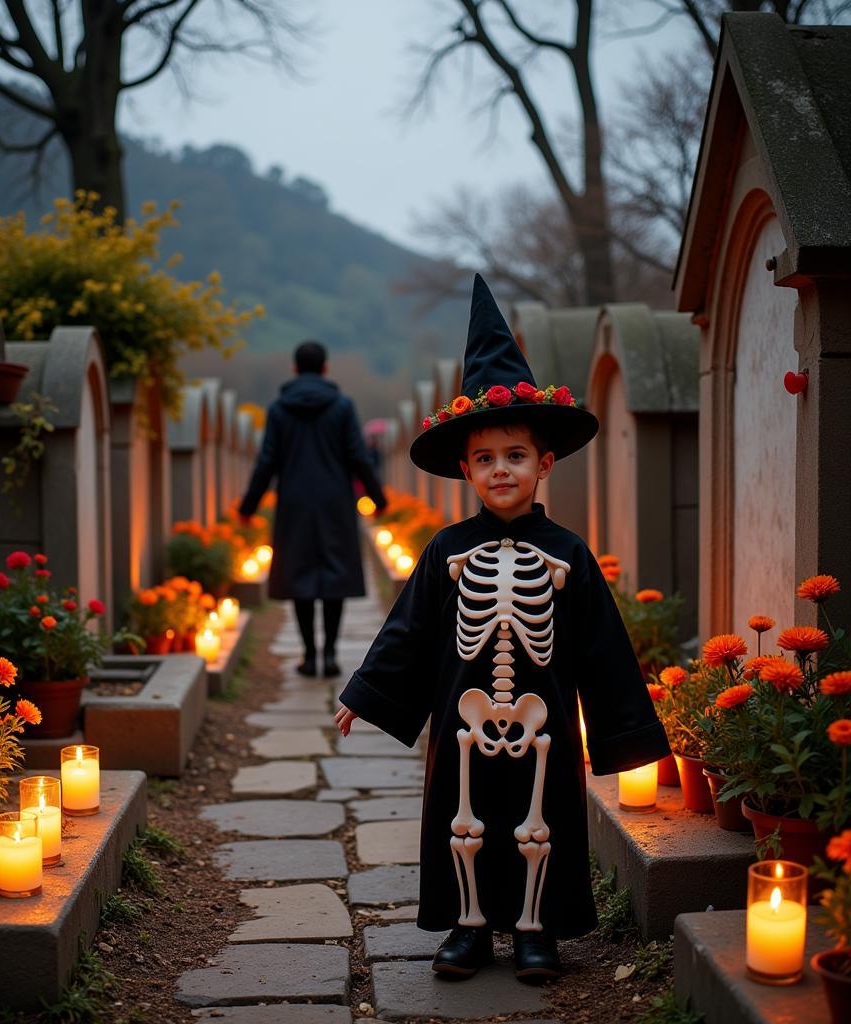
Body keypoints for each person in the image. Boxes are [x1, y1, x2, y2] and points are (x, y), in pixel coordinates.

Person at [334, 276, 669, 983]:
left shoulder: (571, 554)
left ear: (544, 465)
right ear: (466, 471)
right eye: (485, 460)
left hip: (544, 719)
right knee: (466, 819)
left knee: (542, 814)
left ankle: (537, 930)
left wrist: (630, 735)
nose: (501, 470)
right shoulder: (444, 550)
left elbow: (604, 647)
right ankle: (467, 929)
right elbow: (409, 631)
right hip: (463, 720)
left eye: (515, 456)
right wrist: (366, 692)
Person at [239, 340, 387, 677]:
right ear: (325, 369)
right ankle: (331, 654)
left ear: (294, 369)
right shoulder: (343, 406)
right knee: (333, 574)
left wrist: (248, 506)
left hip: (294, 503)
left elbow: (267, 462)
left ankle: (308, 655)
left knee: (300, 575)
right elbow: (358, 456)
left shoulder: (278, 409)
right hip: (335, 501)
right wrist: (379, 499)